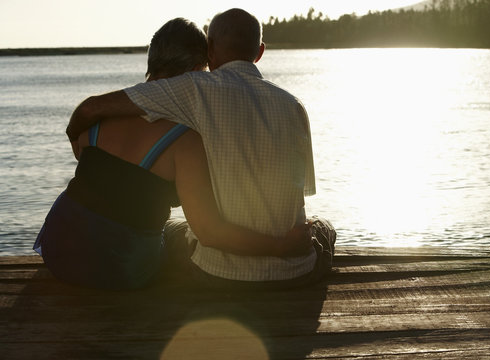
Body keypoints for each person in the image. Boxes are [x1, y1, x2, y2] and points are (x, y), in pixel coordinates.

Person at [65, 9, 336, 289]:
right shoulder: (294, 106)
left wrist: (75, 139)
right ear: (260, 52)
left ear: (210, 50)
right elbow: (299, 196)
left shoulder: (190, 89)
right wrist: (283, 245)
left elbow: (90, 108)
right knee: (323, 227)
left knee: (173, 232)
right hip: (296, 272)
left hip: (218, 275)